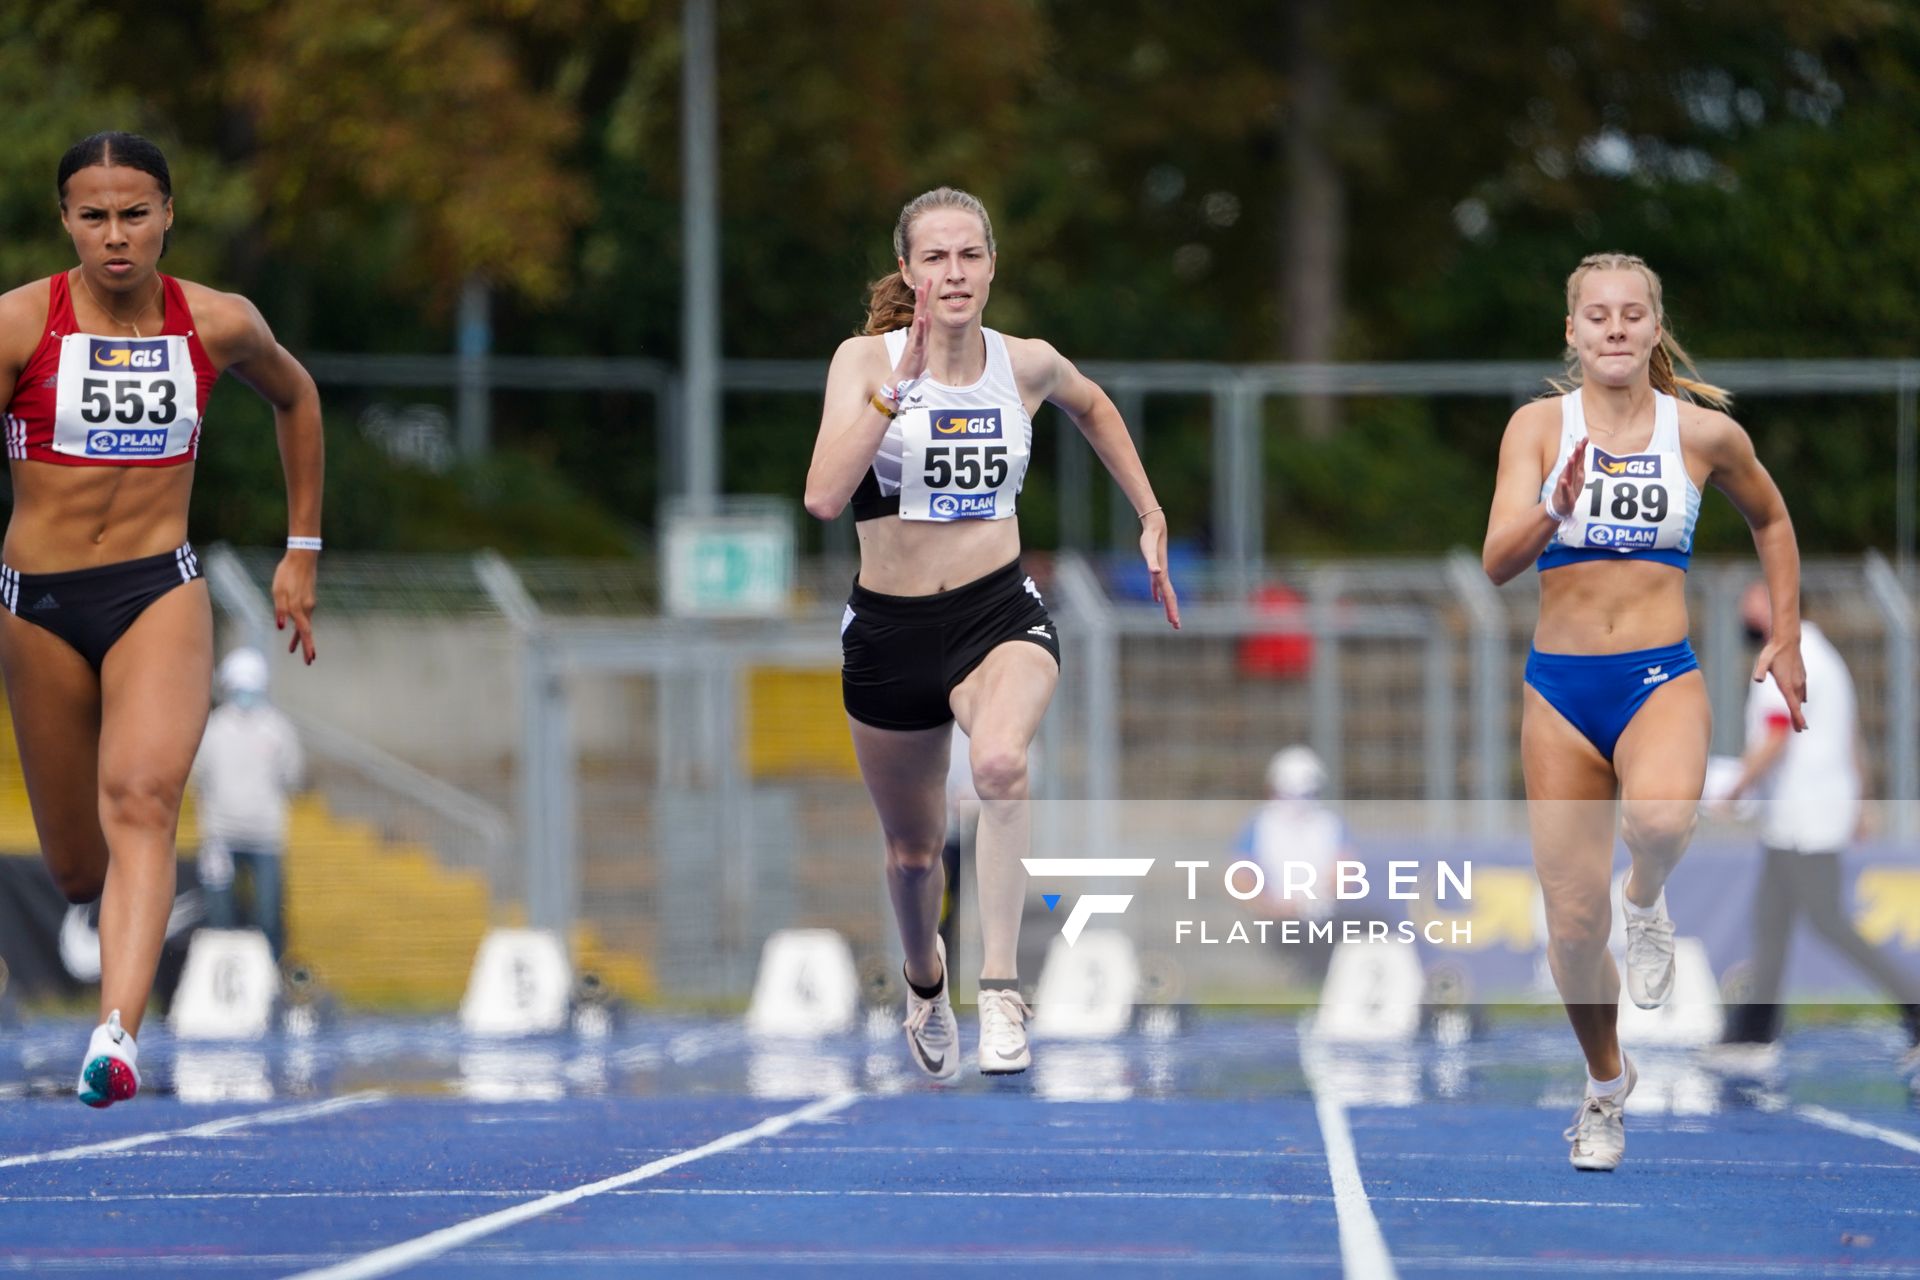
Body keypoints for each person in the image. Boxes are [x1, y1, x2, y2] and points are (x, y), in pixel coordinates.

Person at [805, 186, 1179, 1078]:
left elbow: (1093, 407)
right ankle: (926, 980)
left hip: (996, 613)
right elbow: (822, 497)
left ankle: (1003, 987)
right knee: (912, 852)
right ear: (908, 271)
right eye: (934, 258)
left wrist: (1150, 512)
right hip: (890, 632)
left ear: (992, 265)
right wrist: (891, 401)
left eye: (969, 255)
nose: (954, 273)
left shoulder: (1029, 364)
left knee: (1003, 764)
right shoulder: (865, 363)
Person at [0, 132, 323, 1108]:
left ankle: (117, 1032)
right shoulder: (19, 325)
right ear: (66, 220)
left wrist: (301, 548)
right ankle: (105, 924)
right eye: (93, 216)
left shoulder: (217, 322)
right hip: (40, 602)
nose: (115, 235)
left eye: (134, 213)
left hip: (158, 588)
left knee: (143, 798)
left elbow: (298, 396)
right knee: (73, 860)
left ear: (168, 216)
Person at [1481, 252, 1804, 1170]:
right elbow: (1496, 562)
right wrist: (1555, 507)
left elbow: (1771, 521)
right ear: (1573, 333)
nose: (1615, 328)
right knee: (1575, 931)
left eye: (1632, 315)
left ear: (1654, 330)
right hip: (1560, 692)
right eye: (1598, 315)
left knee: (1659, 820)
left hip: (1659, 675)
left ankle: (1649, 900)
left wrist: (1783, 634)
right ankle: (1606, 1086)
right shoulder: (1538, 428)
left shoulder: (1699, 435)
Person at [1713, 582, 1920, 1065]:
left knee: (1827, 922)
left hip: (1803, 815)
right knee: (1772, 921)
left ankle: (1914, 1006)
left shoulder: (1788, 655)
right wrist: (1861, 798)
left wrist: (1735, 787)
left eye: (1756, 598)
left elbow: (1776, 735)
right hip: (1804, 814)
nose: (1745, 607)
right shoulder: (1824, 653)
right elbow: (1848, 735)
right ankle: (1752, 1032)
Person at [193, 646, 305, 960]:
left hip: (266, 837)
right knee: (219, 917)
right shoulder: (213, 729)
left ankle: (270, 979)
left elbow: (291, 776)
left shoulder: (278, 728)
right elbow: (200, 779)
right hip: (220, 837)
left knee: (269, 915)